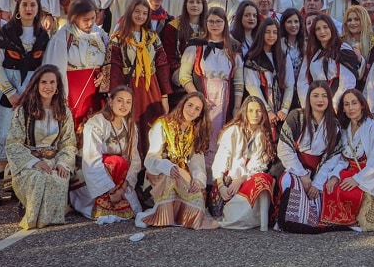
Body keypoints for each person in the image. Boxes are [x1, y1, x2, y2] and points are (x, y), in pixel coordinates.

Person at [0, 0, 50, 206]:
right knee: (0, 133)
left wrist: (31, 92)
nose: (28, 9)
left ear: (38, 9)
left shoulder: (43, 36)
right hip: (4, 88)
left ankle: (18, 185)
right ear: (18, 8)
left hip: (30, 89)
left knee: (24, 137)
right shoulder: (6, 32)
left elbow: (44, 65)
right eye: (24, 4)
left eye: (32, 5)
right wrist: (10, 92)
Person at [5, 65, 78, 229]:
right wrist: (34, 162)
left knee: (58, 177)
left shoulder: (64, 112)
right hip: (28, 161)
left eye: (52, 82)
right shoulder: (23, 111)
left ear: (57, 86)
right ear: (36, 85)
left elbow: (68, 142)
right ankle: (32, 211)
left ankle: (49, 214)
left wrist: (63, 163)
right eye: (44, 82)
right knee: (39, 177)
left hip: (54, 160)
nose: (48, 86)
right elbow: (13, 143)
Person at [135, 92, 218, 229]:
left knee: (195, 194)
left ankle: (181, 215)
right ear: (182, 104)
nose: (192, 111)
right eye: (190, 105)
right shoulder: (163, 124)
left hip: (182, 174)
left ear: (200, 114)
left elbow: (197, 163)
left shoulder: (195, 131)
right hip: (160, 173)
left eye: (197, 109)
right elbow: (151, 158)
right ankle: (162, 215)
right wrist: (168, 167)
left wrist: (198, 179)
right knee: (171, 179)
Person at [177, 7, 244, 167]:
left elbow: (238, 80)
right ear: (205, 23)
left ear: (225, 23)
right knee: (200, 135)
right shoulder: (195, 46)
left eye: (218, 21)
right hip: (202, 95)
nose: (215, 25)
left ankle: (216, 176)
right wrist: (197, 98)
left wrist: (236, 107)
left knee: (221, 137)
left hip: (225, 99)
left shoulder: (233, 48)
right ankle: (199, 173)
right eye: (211, 21)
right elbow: (184, 76)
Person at [320, 89, 374, 231]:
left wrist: (357, 179)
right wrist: (335, 176)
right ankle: (338, 222)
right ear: (343, 108)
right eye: (346, 104)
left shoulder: (373, 129)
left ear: (362, 105)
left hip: (367, 175)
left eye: (354, 103)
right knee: (329, 186)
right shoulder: (345, 130)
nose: (351, 108)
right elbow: (343, 159)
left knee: (345, 191)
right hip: (350, 171)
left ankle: (351, 221)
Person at [275, 81, 344, 233]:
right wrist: (303, 175)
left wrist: (317, 182)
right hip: (296, 166)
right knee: (289, 181)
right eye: (315, 95)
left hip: (319, 170)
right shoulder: (296, 116)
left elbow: (333, 157)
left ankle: (310, 218)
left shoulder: (334, 125)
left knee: (320, 193)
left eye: (324, 96)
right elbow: (284, 148)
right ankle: (289, 220)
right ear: (308, 98)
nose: (320, 100)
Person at [107, 0, 172, 156]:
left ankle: (151, 162)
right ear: (130, 12)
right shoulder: (118, 38)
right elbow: (114, 68)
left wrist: (164, 97)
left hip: (151, 88)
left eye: (144, 13)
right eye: (137, 12)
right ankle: (133, 163)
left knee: (152, 124)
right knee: (132, 123)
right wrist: (115, 96)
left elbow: (162, 66)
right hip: (129, 88)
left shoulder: (153, 37)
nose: (140, 16)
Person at [69, 86, 143, 221]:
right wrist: (109, 190)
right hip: (93, 174)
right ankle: (103, 198)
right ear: (110, 102)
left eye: (128, 102)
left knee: (134, 209)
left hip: (120, 177)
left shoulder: (130, 126)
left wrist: (122, 189)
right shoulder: (96, 123)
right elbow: (91, 159)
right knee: (114, 162)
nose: (124, 105)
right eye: (120, 100)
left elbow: (135, 160)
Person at [44, 0, 108, 138]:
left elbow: (110, 60)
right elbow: (54, 69)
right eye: (85, 20)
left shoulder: (100, 34)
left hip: (95, 91)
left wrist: (105, 72)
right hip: (72, 92)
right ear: (74, 18)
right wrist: (61, 96)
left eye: (93, 18)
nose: (90, 23)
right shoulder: (63, 37)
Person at [210, 95, 276, 230]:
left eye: (258, 111)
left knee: (263, 179)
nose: (255, 115)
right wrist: (221, 186)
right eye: (250, 111)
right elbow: (220, 160)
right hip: (228, 181)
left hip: (247, 178)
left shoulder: (263, 134)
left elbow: (260, 165)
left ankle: (259, 222)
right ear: (244, 112)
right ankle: (234, 218)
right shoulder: (233, 131)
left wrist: (242, 179)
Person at [297, 14, 360, 109]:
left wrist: (334, 104)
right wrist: (307, 105)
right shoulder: (312, 51)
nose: (322, 32)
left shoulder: (343, 48)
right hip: (315, 102)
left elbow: (347, 81)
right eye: (318, 29)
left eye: (325, 27)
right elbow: (302, 81)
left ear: (331, 28)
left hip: (337, 103)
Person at [163, 0, 207, 110]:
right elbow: (169, 57)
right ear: (185, 4)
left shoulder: (208, 28)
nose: (194, 5)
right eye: (191, 1)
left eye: (198, 2)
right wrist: (186, 74)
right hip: (180, 80)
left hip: (204, 79)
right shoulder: (173, 27)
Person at [243, 18, 293, 125]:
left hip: (281, 111)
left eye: (275, 32)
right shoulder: (252, 59)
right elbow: (252, 86)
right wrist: (266, 110)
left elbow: (290, 84)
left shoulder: (283, 56)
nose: (271, 36)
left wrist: (284, 109)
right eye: (267, 32)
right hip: (259, 108)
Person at [277, 9, 306, 117]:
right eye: (289, 22)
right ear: (283, 24)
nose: (293, 25)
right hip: (284, 89)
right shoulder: (279, 44)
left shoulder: (305, 44)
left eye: (296, 21)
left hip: (301, 90)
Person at [341, 5, 374, 82]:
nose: (352, 23)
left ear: (364, 20)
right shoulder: (341, 40)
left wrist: (360, 60)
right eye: (349, 20)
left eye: (357, 19)